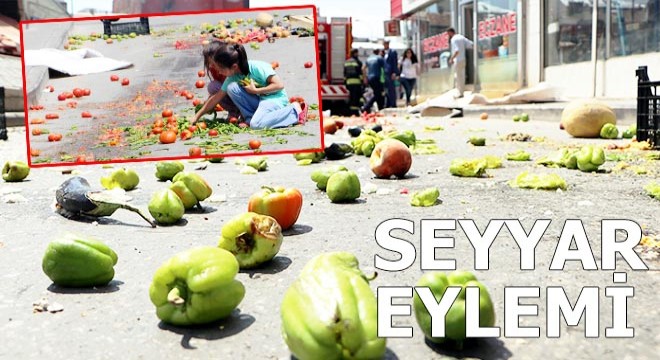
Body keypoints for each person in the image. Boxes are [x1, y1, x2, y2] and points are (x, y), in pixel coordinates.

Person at [192, 43, 306, 129]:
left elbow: (279, 85)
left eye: (221, 69)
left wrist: (256, 91)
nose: (220, 73)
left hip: (274, 99)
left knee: (256, 125)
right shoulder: (232, 76)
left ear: (234, 66)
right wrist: (197, 116)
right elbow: (217, 97)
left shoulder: (257, 67)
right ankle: (250, 117)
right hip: (260, 100)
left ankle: (294, 111)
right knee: (231, 88)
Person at [202, 40, 240, 119]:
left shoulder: (229, 66)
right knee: (213, 86)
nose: (211, 65)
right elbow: (221, 87)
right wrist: (209, 103)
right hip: (226, 91)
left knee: (231, 87)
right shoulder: (213, 68)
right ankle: (233, 110)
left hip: (239, 92)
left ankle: (243, 112)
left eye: (212, 62)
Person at [447, 28, 473, 98]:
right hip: (463, 59)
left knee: (458, 77)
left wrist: (451, 58)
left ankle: (459, 93)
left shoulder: (454, 39)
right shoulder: (461, 37)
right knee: (462, 76)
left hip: (457, 60)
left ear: (450, 32)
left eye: (448, 34)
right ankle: (461, 91)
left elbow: (457, 50)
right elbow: (471, 44)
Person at [360, 48, 385, 113]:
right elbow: (386, 67)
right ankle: (366, 107)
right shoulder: (379, 58)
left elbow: (363, 68)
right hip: (377, 78)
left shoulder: (369, 59)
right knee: (378, 94)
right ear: (379, 52)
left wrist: (365, 78)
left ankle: (380, 108)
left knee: (378, 93)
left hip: (370, 78)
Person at [343, 48, 363, 116]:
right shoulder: (358, 62)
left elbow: (345, 73)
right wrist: (362, 82)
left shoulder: (346, 62)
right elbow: (360, 73)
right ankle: (355, 113)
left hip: (349, 83)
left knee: (351, 98)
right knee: (356, 98)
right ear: (355, 53)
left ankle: (351, 112)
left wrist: (345, 82)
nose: (358, 54)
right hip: (356, 83)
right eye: (357, 53)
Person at [382, 40, 399, 108]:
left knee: (391, 89)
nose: (385, 45)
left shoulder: (392, 52)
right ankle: (387, 103)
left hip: (390, 72)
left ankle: (393, 103)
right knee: (386, 89)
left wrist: (394, 72)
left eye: (386, 44)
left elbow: (395, 63)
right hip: (384, 73)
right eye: (384, 44)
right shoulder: (383, 53)